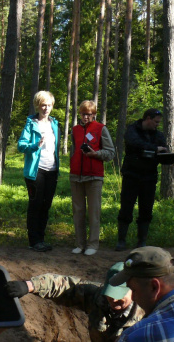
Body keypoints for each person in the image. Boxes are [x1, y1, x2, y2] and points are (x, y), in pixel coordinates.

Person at [5, 262, 144, 341]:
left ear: (134, 289)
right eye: (110, 294)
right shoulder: (99, 298)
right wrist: (30, 285)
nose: (113, 299)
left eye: (119, 295)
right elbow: (67, 286)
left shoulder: (148, 315)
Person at [116, 109, 174, 251]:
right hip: (131, 176)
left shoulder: (158, 135)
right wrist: (154, 148)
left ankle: (142, 242)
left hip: (149, 178)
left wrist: (173, 157)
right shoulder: (132, 129)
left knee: (146, 209)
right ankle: (121, 240)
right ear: (147, 118)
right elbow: (134, 143)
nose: (157, 125)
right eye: (156, 122)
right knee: (126, 208)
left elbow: (162, 156)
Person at [69, 100, 115, 256]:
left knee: (93, 212)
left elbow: (110, 153)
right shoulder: (75, 130)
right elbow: (74, 151)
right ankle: (79, 244)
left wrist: (96, 154)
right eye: (83, 114)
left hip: (94, 176)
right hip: (76, 175)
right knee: (78, 210)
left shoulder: (101, 129)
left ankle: (93, 244)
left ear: (94, 114)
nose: (85, 117)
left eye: (89, 114)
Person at [17, 91, 60, 252]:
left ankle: (41, 239)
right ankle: (33, 241)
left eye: (49, 105)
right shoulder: (31, 123)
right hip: (36, 171)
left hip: (52, 170)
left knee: (46, 206)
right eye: (43, 105)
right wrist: (35, 145)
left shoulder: (54, 124)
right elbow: (21, 145)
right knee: (35, 205)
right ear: (38, 105)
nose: (46, 108)